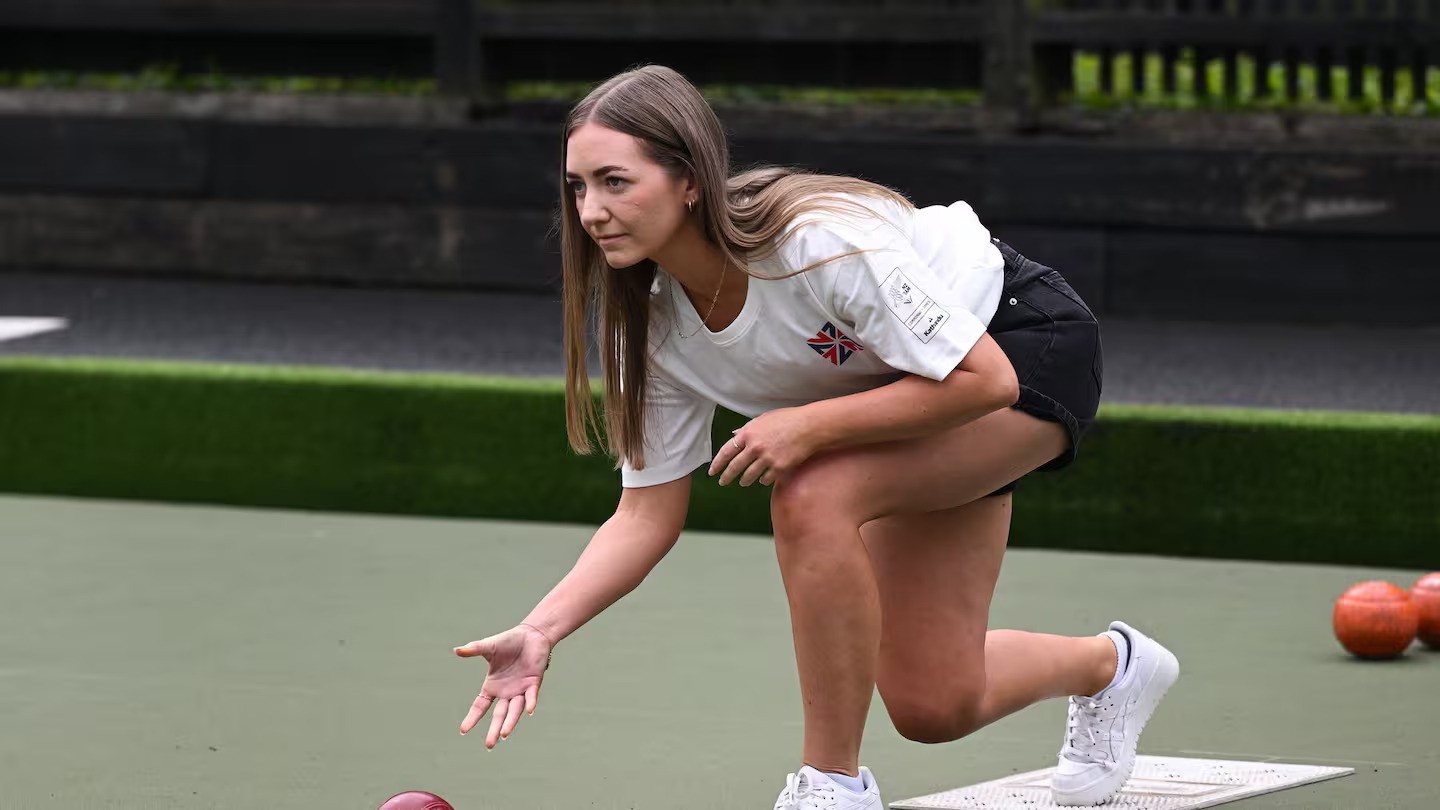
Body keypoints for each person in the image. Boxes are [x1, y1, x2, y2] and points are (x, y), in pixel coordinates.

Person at [452, 64, 1179, 810]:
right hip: (904, 399)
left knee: (813, 491)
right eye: (577, 187)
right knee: (935, 703)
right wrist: (541, 631)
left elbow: (983, 381)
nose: (592, 210)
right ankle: (1114, 668)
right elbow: (645, 515)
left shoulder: (814, 242)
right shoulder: (653, 325)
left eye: (614, 181)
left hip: (1018, 344)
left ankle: (832, 785)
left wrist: (806, 426)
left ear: (689, 181)